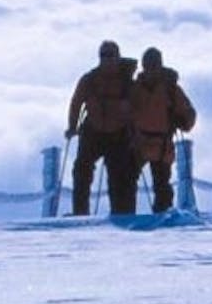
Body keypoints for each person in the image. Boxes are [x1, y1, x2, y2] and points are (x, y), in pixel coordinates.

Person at [66, 40, 138, 215]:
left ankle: (120, 214)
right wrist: (72, 125)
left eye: (110, 55)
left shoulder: (125, 82)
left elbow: (137, 107)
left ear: (118, 56)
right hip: (95, 131)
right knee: (82, 171)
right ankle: (81, 212)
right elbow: (76, 103)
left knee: (118, 175)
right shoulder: (91, 80)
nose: (107, 59)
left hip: (117, 133)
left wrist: (73, 128)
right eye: (104, 55)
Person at [129, 47, 197, 213]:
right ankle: (154, 215)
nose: (151, 69)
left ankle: (131, 215)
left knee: (159, 184)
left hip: (156, 144)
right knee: (131, 180)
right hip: (146, 143)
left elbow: (188, 114)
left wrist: (183, 120)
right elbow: (189, 115)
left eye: (154, 65)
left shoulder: (168, 89)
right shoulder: (167, 88)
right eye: (149, 65)